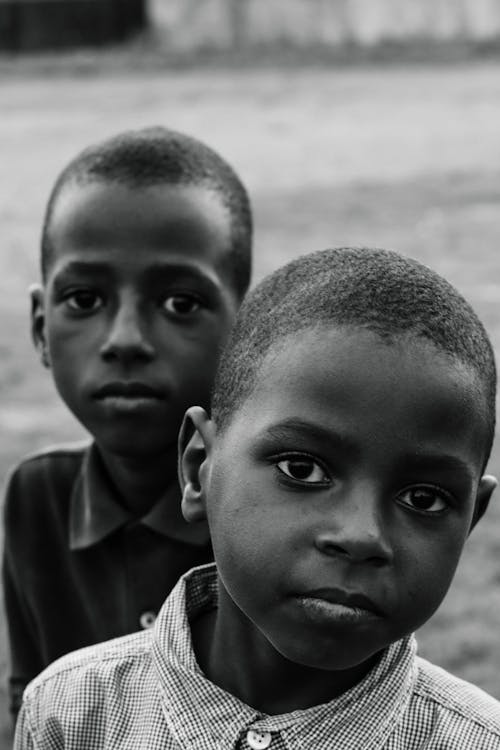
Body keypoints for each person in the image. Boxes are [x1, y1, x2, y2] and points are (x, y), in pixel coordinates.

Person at [14, 247, 500, 749]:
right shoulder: (69, 715)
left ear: (470, 519)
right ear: (198, 468)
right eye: (302, 469)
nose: (361, 536)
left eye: (424, 499)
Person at [3, 126, 252, 719]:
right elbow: (31, 707)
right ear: (41, 327)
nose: (125, 340)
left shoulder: (267, 509)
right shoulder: (38, 498)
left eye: (179, 304)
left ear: (246, 331)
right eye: (85, 300)